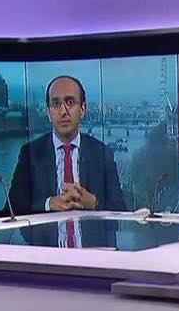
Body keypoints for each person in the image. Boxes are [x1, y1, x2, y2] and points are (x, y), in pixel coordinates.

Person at [9, 76, 126, 215]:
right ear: (48, 113)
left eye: (70, 102)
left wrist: (93, 203)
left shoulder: (102, 154)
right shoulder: (30, 154)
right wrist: (48, 204)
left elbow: (121, 211)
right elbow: (11, 211)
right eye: (55, 104)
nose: (63, 111)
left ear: (82, 109)